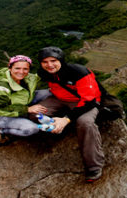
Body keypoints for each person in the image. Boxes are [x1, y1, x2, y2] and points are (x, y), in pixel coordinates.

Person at [36, 46, 105, 183]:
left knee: (85, 123)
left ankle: (94, 166)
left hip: (84, 101)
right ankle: (56, 132)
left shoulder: (79, 72)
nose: (49, 65)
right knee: (36, 114)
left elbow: (89, 101)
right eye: (45, 62)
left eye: (53, 60)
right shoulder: (43, 72)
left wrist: (66, 119)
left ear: (61, 60)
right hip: (59, 99)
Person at [0, 55, 53, 144]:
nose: (21, 72)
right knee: (31, 129)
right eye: (17, 68)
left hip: (20, 102)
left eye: (25, 69)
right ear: (10, 68)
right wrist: (27, 109)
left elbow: (41, 75)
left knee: (50, 92)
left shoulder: (27, 77)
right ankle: (0, 130)